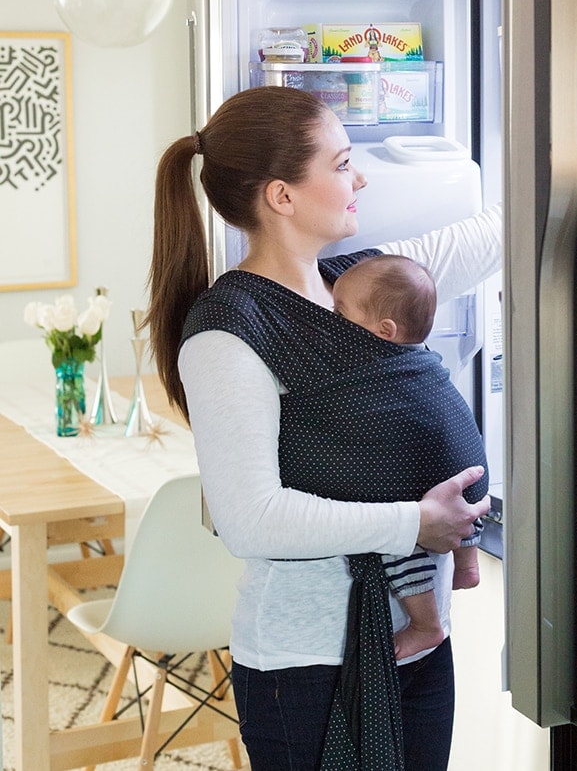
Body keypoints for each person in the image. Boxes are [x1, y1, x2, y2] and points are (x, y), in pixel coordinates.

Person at [145, 85, 501, 771]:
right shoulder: (229, 333)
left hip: (420, 638)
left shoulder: (361, 283)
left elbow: (486, 239)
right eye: (341, 163)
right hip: (307, 662)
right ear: (282, 195)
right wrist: (413, 524)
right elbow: (249, 519)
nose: (359, 176)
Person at [330, 253, 483, 661]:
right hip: (468, 479)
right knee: (465, 502)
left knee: (397, 543)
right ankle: (468, 566)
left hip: (428, 493)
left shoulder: (378, 372)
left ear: (384, 330)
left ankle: (424, 624)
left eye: (340, 311)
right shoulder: (426, 363)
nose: (332, 319)